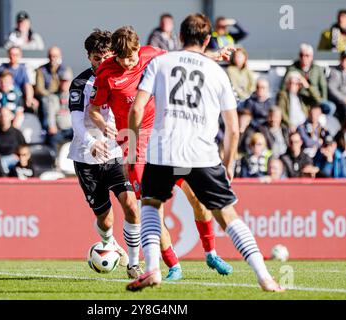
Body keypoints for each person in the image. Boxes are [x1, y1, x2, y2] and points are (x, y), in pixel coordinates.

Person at [126, 14, 282, 292]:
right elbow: (233, 128)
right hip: (202, 154)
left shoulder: (160, 63)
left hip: (164, 150)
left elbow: (136, 109)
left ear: (180, 38)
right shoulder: (217, 72)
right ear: (208, 40)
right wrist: (229, 162)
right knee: (227, 215)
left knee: (151, 204)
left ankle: (151, 269)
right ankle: (264, 277)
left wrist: (134, 148)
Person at [89, 26, 233, 281]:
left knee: (197, 199)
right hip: (135, 146)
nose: (128, 63)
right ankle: (174, 266)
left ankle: (210, 252)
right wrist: (103, 125)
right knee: (154, 211)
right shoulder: (105, 73)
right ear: (115, 56)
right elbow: (94, 109)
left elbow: (183, 57)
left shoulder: (150, 54)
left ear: (138, 49)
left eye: (132, 57)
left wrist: (214, 55)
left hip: (168, 138)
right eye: (122, 59)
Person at [68, 29, 142, 279]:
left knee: (132, 205)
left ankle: (134, 263)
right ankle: (109, 243)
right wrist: (90, 141)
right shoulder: (80, 83)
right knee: (106, 220)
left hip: (115, 154)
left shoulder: (123, 76)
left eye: (106, 56)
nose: (101, 62)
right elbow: (77, 119)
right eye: (96, 58)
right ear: (89, 57)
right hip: (86, 157)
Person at [282, 44, 335, 117]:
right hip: (299, 99)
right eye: (301, 55)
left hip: (315, 99)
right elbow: (283, 87)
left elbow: (323, 87)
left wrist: (321, 102)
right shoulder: (292, 68)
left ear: (311, 56)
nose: (304, 58)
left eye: (307, 55)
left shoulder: (317, 69)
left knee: (331, 107)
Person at [35, 46, 68, 130]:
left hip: (61, 96)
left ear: (60, 56)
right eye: (51, 56)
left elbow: (67, 84)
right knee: (49, 101)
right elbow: (39, 89)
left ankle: (66, 127)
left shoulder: (65, 69)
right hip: (47, 96)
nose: (53, 58)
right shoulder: (41, 70)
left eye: (55, 56)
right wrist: (52, 96)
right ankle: (48, 127)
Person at [0, 47, 37, 112]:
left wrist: (29, 98)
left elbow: (27, 85)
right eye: (11, 54)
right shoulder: (2, 68)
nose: (13, 57)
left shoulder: (23, 69)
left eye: (16, 55)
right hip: (5, 95)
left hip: (18, 96)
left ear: (20, 56)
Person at [46, 68, 74, 153]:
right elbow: (50, 114)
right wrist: (52, 126)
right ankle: (55, 161)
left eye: (66, 81)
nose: (64, 83)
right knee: (52, 138)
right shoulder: (53, 97)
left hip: (72, 129)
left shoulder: (76, 96)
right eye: (62, 80)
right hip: (59, 130)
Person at [0, 108, 26, 174]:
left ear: (11, 117)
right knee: (1, 162)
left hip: (15, 161)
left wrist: (19, 156)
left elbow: (24, 148)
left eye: (6, 116)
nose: (4, 118)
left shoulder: (17, 133)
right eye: (2, 115)